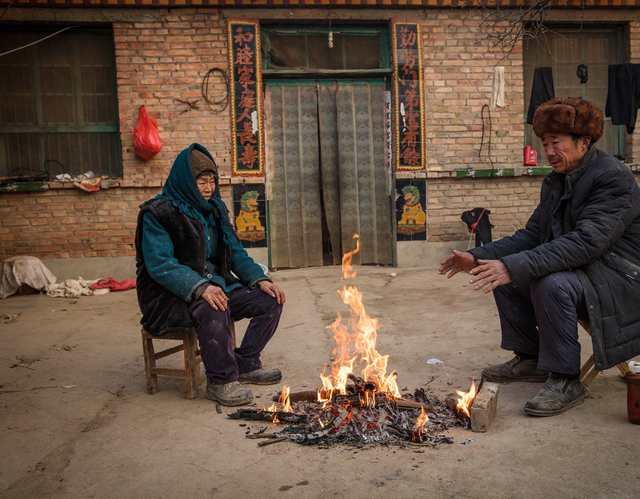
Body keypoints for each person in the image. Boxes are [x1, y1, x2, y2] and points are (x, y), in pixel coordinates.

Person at [439, 97, 640, 417]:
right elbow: (531, 235)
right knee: (501, 274)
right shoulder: (556, 181)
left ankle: (565, 378)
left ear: (584, 141)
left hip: (618, 278)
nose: (547, 152)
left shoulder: (612, 177)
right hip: (587, 270)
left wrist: (513, 265)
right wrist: (476, 258)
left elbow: (587, 243)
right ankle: (531, 358)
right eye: (544, 143)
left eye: (555, 143)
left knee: (549, 283)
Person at [135, 143, 286, 406]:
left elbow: (235, 252)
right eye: (201, 182)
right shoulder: (158, 213)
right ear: (185, 181)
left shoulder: (215, 210)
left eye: (212, 181)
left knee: (270, 300)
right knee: (212, 306)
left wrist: (259, 278)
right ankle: (221, 381)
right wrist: (200, 287)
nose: (208, 188)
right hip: (170, 298)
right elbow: (160, 264)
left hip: (215, 286)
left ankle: (246, 362)